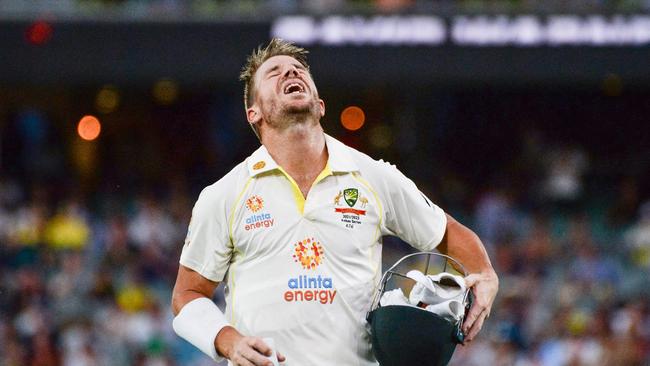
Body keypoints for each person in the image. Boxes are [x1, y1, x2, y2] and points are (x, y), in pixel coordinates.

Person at [171, 38, 499, 366]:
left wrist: (485, 274)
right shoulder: (224, 194)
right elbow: (187, 295)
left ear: (319, 104)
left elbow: (447, 233)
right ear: (252, 113)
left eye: (298, 70)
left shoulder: (373, 176)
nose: (289, 72)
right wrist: (228, 341)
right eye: (274, 72)